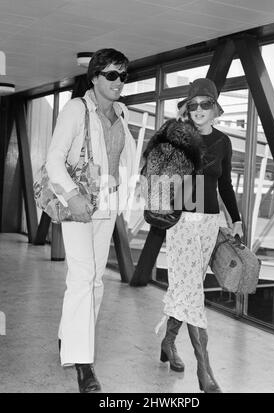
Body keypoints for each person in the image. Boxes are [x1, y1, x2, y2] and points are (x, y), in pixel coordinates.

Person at [143, 78, 243, 393]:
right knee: (192, 292)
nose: (199, 110)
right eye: (194, 104)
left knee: (187, 287)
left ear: (215, 107)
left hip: (210, 223)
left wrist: (236, 220)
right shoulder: (177, 136)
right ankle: (205, 368)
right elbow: (157, 175)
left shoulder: (224, 142)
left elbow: (224, 184)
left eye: (205, 103)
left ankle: (169, 342)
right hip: (183, 221)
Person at [46, 48, 136, 393]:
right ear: (95, 77)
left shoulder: (123, 113)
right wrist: (72, 196)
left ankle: (69, 337)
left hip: (109, 204)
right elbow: (54, 160)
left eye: (123, 75)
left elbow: (121, 159)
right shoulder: (75, 109)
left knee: (96, 281)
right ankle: (84, 364)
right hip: (79, 205)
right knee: (83, 278)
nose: (118, 82)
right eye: (111, 75)